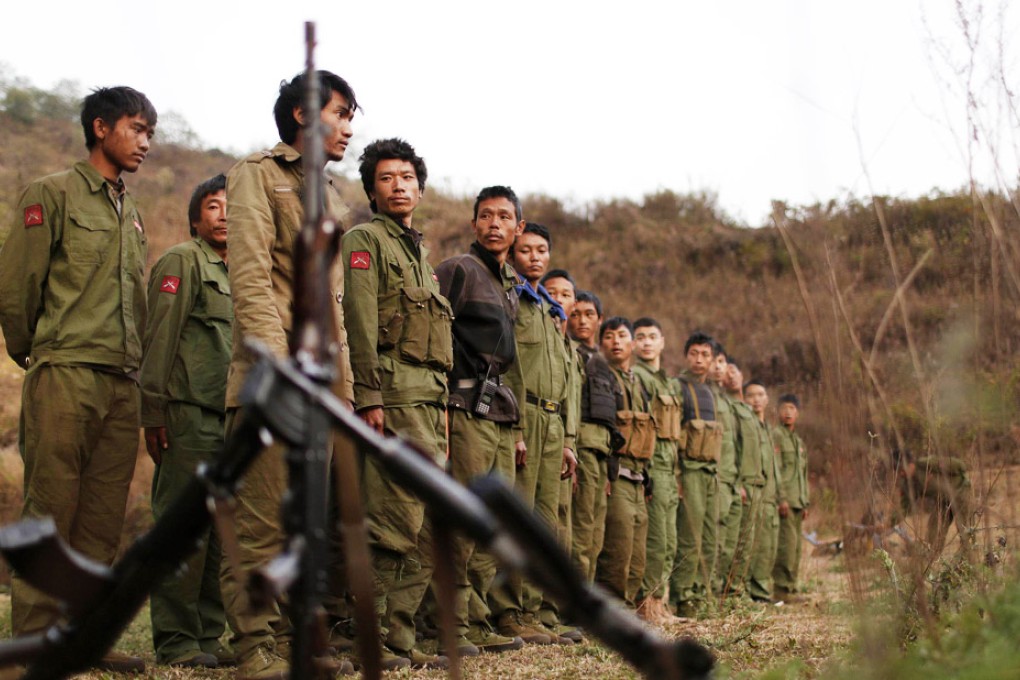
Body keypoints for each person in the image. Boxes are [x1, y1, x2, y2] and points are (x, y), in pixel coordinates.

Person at [0, 86, 156, 674]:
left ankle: (83, 637)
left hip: (122, 382)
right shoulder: (52, 193)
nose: (145, 142)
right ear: (99, 127)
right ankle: (32, 649)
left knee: (100, 517)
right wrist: (37, 352)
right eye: (136, 129)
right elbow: (17, 289)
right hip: (64, 373)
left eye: (149, 133)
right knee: (50, 510)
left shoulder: (133, 211)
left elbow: (134, 300)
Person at [222, 70, 358, 680]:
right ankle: (255, 645)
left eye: (353, 117)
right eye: (341, 113)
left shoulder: (332, 196)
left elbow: (335, 307)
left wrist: (345, 394)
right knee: (259, 520)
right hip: (275, 379)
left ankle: (293, 639)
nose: (349, 128)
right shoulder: (256, 174)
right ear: (304, 116)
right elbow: (250, 277)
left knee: (306, 519)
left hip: (323, 385)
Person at [339, 138, 451, 670]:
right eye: (386, 178)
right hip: (394, 396)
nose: (398, 185)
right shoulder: (364, 240)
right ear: (372, 189)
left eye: (407, 177)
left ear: (421, 188)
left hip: (430, 401)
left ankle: (400, 639)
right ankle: (374, 639)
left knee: (428, 523)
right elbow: (359, 323)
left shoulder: (421, 257)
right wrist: (368, 397)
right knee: (393, 520)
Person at [140, 174, 232, 668]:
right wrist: (153, 409)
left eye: (232, 207)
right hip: (188, 415)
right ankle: (176, 640)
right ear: (196, 217)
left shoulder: (243, 274)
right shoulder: (182, 260)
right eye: (214, 207)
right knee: (183, 529)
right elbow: (159, 338)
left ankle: (208, 636)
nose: (225, 215)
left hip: (230, 421)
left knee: (221, 536)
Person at [435, 186, 526, 655]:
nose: (494, 224)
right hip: (463, 406)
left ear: (518, 228)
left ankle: (474, 618)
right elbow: (433, 334)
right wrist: (442, 405)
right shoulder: (457, 270)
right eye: (486, 216)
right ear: (473, 224)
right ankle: (450, 622)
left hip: (498, 411)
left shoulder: (509, 283)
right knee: (463, 516)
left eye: (504, 216)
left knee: (493, 521)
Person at [490, 224, 576, 645]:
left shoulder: (548, 310)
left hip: (554, 423)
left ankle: (536, 610)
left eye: (543, 250)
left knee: (546, 524)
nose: (535, 257)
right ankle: (508, 610)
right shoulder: (513, 299)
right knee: (518, 517)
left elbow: (564, 379)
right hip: (524, 417)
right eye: (526, 250)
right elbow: (510, 365)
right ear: (513, 252)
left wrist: (569, 439)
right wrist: (519, 426)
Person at [595, 317, 654, 607]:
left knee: (637, 554)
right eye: (608, 336)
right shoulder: (601, 377)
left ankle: (628, 606)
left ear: (632, 344)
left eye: (621, 336)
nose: (615, 342)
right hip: (616, 475)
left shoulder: (639, 384)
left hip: (638, 478)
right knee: (615, 549)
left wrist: (648, 477)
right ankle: (612, 611)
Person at [565, 291, 619, 583]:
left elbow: (609, 418)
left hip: (601, 451)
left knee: (596, 535)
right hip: (582, 447)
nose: (582, 320)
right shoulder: (570, 353)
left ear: (600, 319)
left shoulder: (600, 361)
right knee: (581, 531)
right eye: (576, 313)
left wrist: (610, 467)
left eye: (589, 314)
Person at [631, 318, 682, 623]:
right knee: (656, 540)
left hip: (669, 466)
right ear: (634, 344)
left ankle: (662, 604)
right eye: (641, 337)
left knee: (669, 540)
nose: (647, 342)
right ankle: (648, 606)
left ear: (663, 341)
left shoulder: (666, 381)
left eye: (652, 336)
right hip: (653, 464)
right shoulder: (639, 377)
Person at [671, 332, 722, 618]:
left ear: (712, 359)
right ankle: (683, 596)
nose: (700, 360)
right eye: (694, 354)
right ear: (686, 356)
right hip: (688, 469)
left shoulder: (711, 392)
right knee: (688, 537)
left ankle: (702, 593)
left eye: (705, 355)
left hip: (709, 472)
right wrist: (677, 475)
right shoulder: (678, 386)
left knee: (709, 535)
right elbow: (672, 434)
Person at [889, 448, 974, 557]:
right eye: (897, 471)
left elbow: (960, 465)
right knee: (933, 530)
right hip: (943, 501)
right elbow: (904, 507)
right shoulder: (909, 484)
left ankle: (969, 560)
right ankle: (930, 559)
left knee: (965, 530)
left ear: (910, 464)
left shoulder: (927, 464)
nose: (901, 474)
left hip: (961, 492)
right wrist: (889, 523)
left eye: (901, 469)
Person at [709, 349, 743, 599]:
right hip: (715, 476)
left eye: (723, 362)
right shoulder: (706, 395)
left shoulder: (728, 401)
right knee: (714, 537)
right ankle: (707, 591)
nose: (719, 367)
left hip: (731, 479)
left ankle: (721, 589)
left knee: (728, 541)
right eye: (715, 362)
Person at [744, 380, 781, 602]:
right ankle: (748, 592)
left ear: (767, 399)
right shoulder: (746, 425)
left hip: (769, 495)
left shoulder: (768, 428)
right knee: (750, 544)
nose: (756, 399)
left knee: (766, 546)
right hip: (751, 489)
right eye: (751, 395)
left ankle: (761, 591)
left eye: (760, 394)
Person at [772, 394, 810, 598]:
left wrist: (805, 502)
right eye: (784, 408)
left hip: (798, 500)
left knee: (796, 548)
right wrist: (781, 498)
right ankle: (781, 589)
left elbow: (803, 473)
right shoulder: (776, 435)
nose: (788, 412)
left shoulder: (798, 441)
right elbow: (776, 468)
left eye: (792, 408)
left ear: (798, 413)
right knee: (786, 546)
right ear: (778, 411)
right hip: (786, 500)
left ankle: (793, 586)